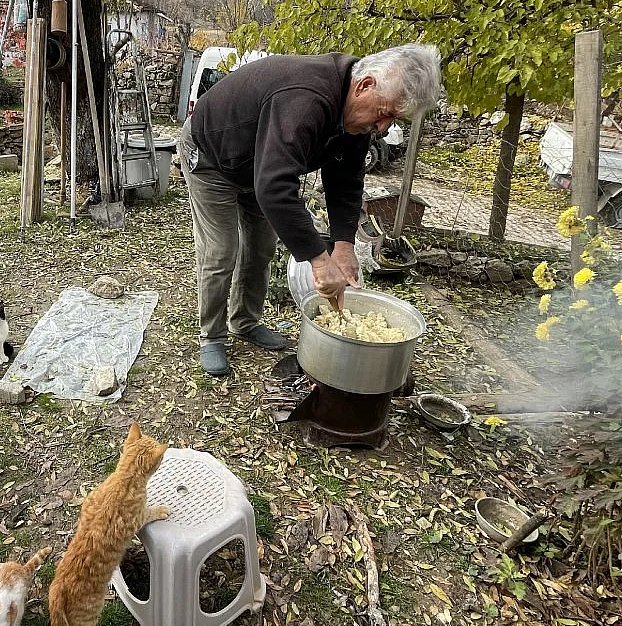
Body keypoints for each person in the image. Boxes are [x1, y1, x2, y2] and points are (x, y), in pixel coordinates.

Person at [180, 43, 442, 376]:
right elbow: (274, 186)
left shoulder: (357, 118)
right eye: (385, 113)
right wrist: (320, 260)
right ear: (365, 86)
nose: (383, 128)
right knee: (221, 251)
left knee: (261, 246)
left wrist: (344, 247)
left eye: (394, 119)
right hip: (212, 156)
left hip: (258, 165)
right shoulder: (307, 99)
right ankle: (212, 337)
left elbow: (346, 181)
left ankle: (244, 322)